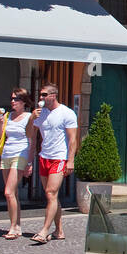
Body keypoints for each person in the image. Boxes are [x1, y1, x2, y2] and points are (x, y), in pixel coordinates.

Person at [27, 84, 78, 244]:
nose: (41, 98)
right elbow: (30, 135)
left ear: (53, 95)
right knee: (52, 196)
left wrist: (70, 160)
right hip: (44, 157)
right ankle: (59, 230)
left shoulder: (66, 113)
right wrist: (31, 119)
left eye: (44, 95)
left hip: (59, 157)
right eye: (40, 95)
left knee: (50, 193)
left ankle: (44, 231)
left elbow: (73, 140)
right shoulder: (40, 114)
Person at [0, 87, 34, 240]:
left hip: (21, 155)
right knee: (13, 193)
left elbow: (32, 141)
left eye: (16, 99)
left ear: (24, 102)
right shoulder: (7, 116)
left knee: (8, 192)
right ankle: (17, 225)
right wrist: (0, 125)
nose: (12, 101)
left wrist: (30, 163)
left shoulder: (29, 117)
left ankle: (13, 227)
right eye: (12, 99)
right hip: (6, 154)